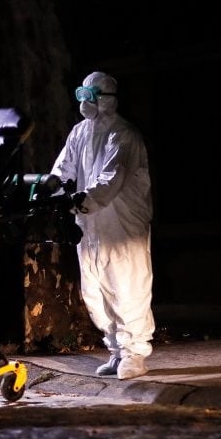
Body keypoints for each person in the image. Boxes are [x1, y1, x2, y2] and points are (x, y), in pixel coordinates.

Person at [50, 71, 155, 380]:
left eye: (92, 95)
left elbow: (111, 179)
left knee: (126, 286)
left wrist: (83, 200)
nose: (85, 102)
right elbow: (65, 165)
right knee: (96, 291)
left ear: (107, 99)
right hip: (90, 225)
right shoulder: (80, 132)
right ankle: (115, 349)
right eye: (82, 94)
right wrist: (53, 184)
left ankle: (134, 353)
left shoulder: (123, 135)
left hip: (120, 225)